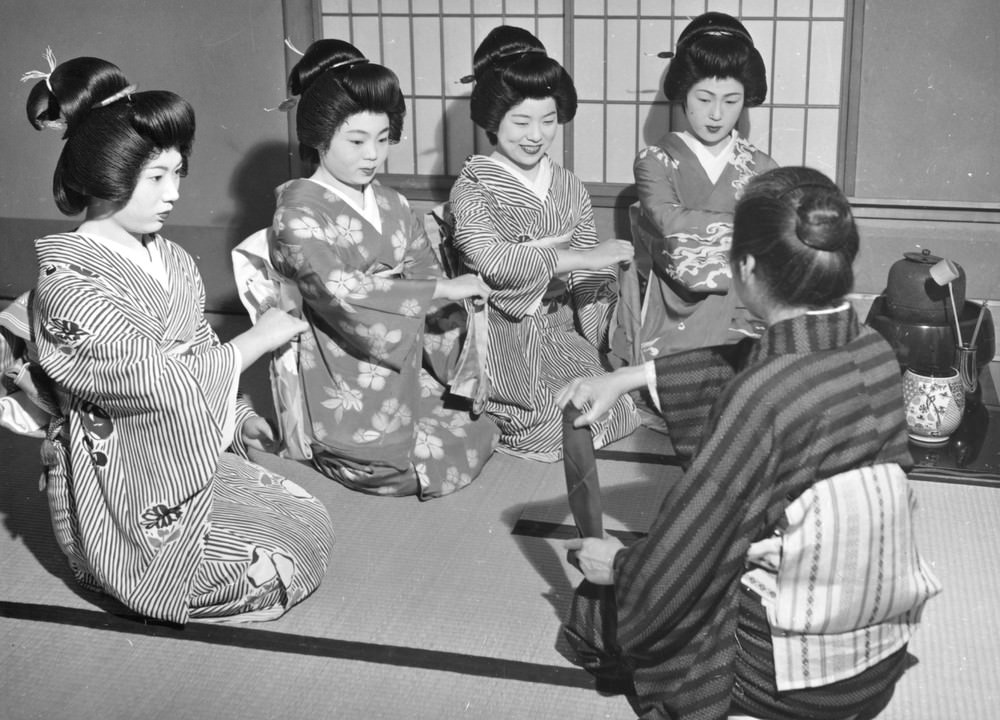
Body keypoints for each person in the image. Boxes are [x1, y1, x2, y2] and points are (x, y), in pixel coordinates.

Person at [556, 167, 941, 719]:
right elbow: (752, 362)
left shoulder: (761, 398)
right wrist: (624, 377)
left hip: (791, 683)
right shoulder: (873, 348)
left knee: (619, 598)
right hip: (877, 660)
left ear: (750, 268)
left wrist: (619, 566)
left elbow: (685, 551)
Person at [16, 52, 334, 624]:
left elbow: (196, 352)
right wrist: (255, 341)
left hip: (179, 461)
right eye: (156, 177)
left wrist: (238, 419)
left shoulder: (173, 260)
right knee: (269, 558)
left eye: (177, 172)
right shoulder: (67, 287)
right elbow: (157, 382)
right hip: (114, 490)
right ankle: (126, 574)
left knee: (309, 521)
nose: (174, 193)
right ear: (108, 175)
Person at [257, 39, 498, 499]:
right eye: (356, 140)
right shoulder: (296, 211)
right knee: (395, 464)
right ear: (319, 136)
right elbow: (338, 292)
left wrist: (448, 300)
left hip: (402, 346)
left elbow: (425, 271)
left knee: (475, 424)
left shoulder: (393, 203)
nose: (373, 155)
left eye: (383, 139)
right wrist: (438, 292)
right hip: (342, 354)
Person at [449, 25, 640, 462]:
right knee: (550, 429)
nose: (535, 134)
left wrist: (600, 326)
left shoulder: (569, 186)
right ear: (493, 120)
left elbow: (593, 272)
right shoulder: (473, 187)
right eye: (521, 122)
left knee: (615, 409)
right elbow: (494, 262)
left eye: (548, 120)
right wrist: (580, 257)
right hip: (506, 331)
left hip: (562, 326)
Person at [629, 12, 779, 361]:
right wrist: (747, 241)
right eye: (704, 99)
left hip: (745, 316)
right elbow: (671, 233)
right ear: (683, 94)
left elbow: (775, 246)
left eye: (731, 101)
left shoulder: (762, 167)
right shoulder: (655, 160)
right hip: (673, 313)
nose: (716, 114)